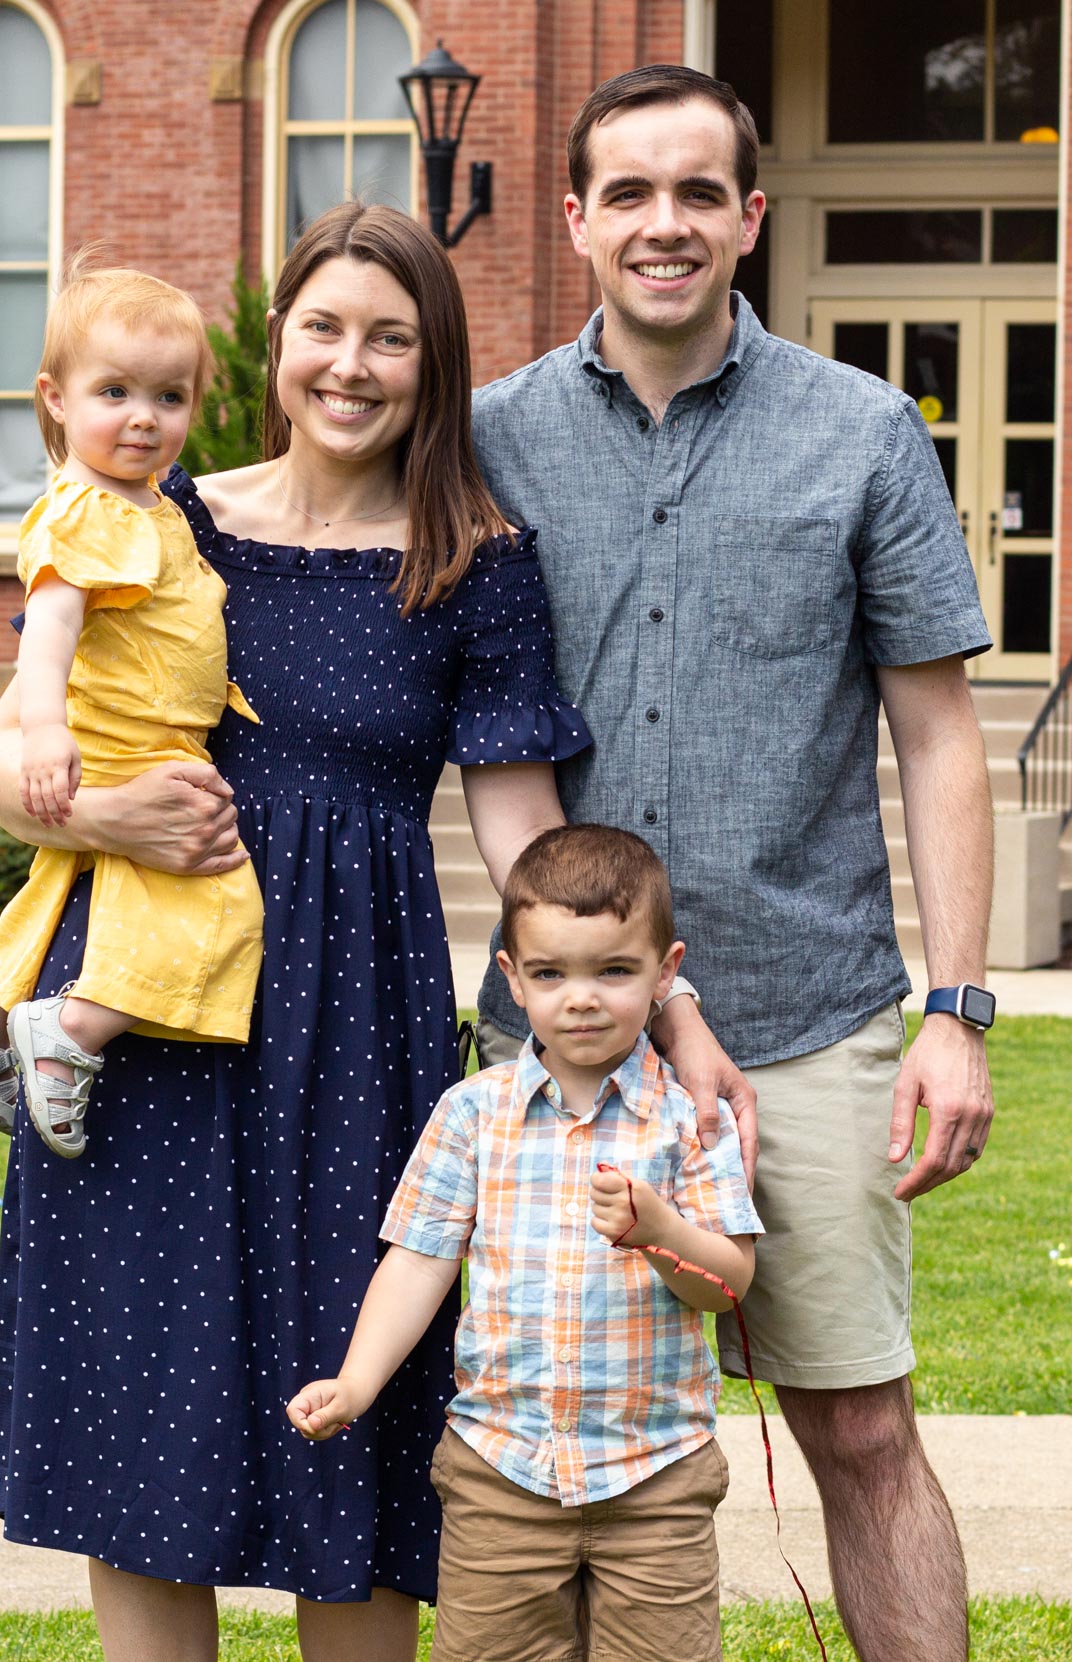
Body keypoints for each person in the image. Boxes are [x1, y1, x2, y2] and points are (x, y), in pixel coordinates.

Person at [0, 203, 593, 1662]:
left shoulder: (477, 559)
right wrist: (107, 819)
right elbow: (9, 761)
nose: (353, 365)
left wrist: (640, 995)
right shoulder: (167, 521)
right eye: (326, 328)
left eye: (392, 337)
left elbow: (519, 826)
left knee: (357, 1410)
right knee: (142, 1413)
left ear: (435, 364)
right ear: (278, 344)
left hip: (358, 1032)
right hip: (140, 1013)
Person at [470, 64, 995, 1662]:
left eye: (700, 191)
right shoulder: (488, 439)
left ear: (751, 217)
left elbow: (942, 735)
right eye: (629, 192)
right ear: (574, 219)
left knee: (860, 1428)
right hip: (565, 1047)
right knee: (541, 1459)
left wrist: (958, 1006)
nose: (665, 223)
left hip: (811, 1012)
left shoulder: (861, 432)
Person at [288, 824, 761, 1662]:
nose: (581, 998)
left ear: (666, 970)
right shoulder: (473, 1113)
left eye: (614, 970)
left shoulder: (690, 1119)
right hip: (500, 1473)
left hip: (655, 1474)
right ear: (512, 976)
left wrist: (662, 1233)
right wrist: (357, 1383)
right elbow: (419, 1260)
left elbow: (728, 1284)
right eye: (550, 974)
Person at [0, 265, 264, 1158]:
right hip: (128, 741)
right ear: (56, 399)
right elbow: (49, 629)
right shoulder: (86, 511)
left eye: (170, 395)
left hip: (128, 736)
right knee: (214, 903)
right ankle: (70, 1034)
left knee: (57, 880)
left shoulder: (144, 505)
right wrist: (44, 730)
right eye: (114, 391)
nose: (145, 416)